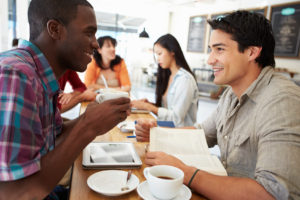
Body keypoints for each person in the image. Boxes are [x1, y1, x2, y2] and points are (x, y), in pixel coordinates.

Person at [135, 11, 300, 199]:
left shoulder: (282, 100)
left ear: (252, 52)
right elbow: (202, 133)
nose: (210, 60)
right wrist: (158, 134)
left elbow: (273, 194)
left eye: (219, 49)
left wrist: (185, 172)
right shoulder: (231, 93)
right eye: (211, 50)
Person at [0, 0, 130, 199]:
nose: (95, 43)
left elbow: (55, 135)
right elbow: (17, 193)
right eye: (89, 32)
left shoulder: (40, 74)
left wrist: (93, 117)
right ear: (55, 29)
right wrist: (88, 126)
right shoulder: (17, 74)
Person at [132, 34, 199, 127]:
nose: (158, 59)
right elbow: (168, 109)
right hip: (167, 131)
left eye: (160, 53)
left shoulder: (185, 79)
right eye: (156, 55)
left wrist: (149, 107)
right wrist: (150, 105)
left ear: (172, 51)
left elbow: (176, 118)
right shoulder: (168, 76)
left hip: (181, 135)